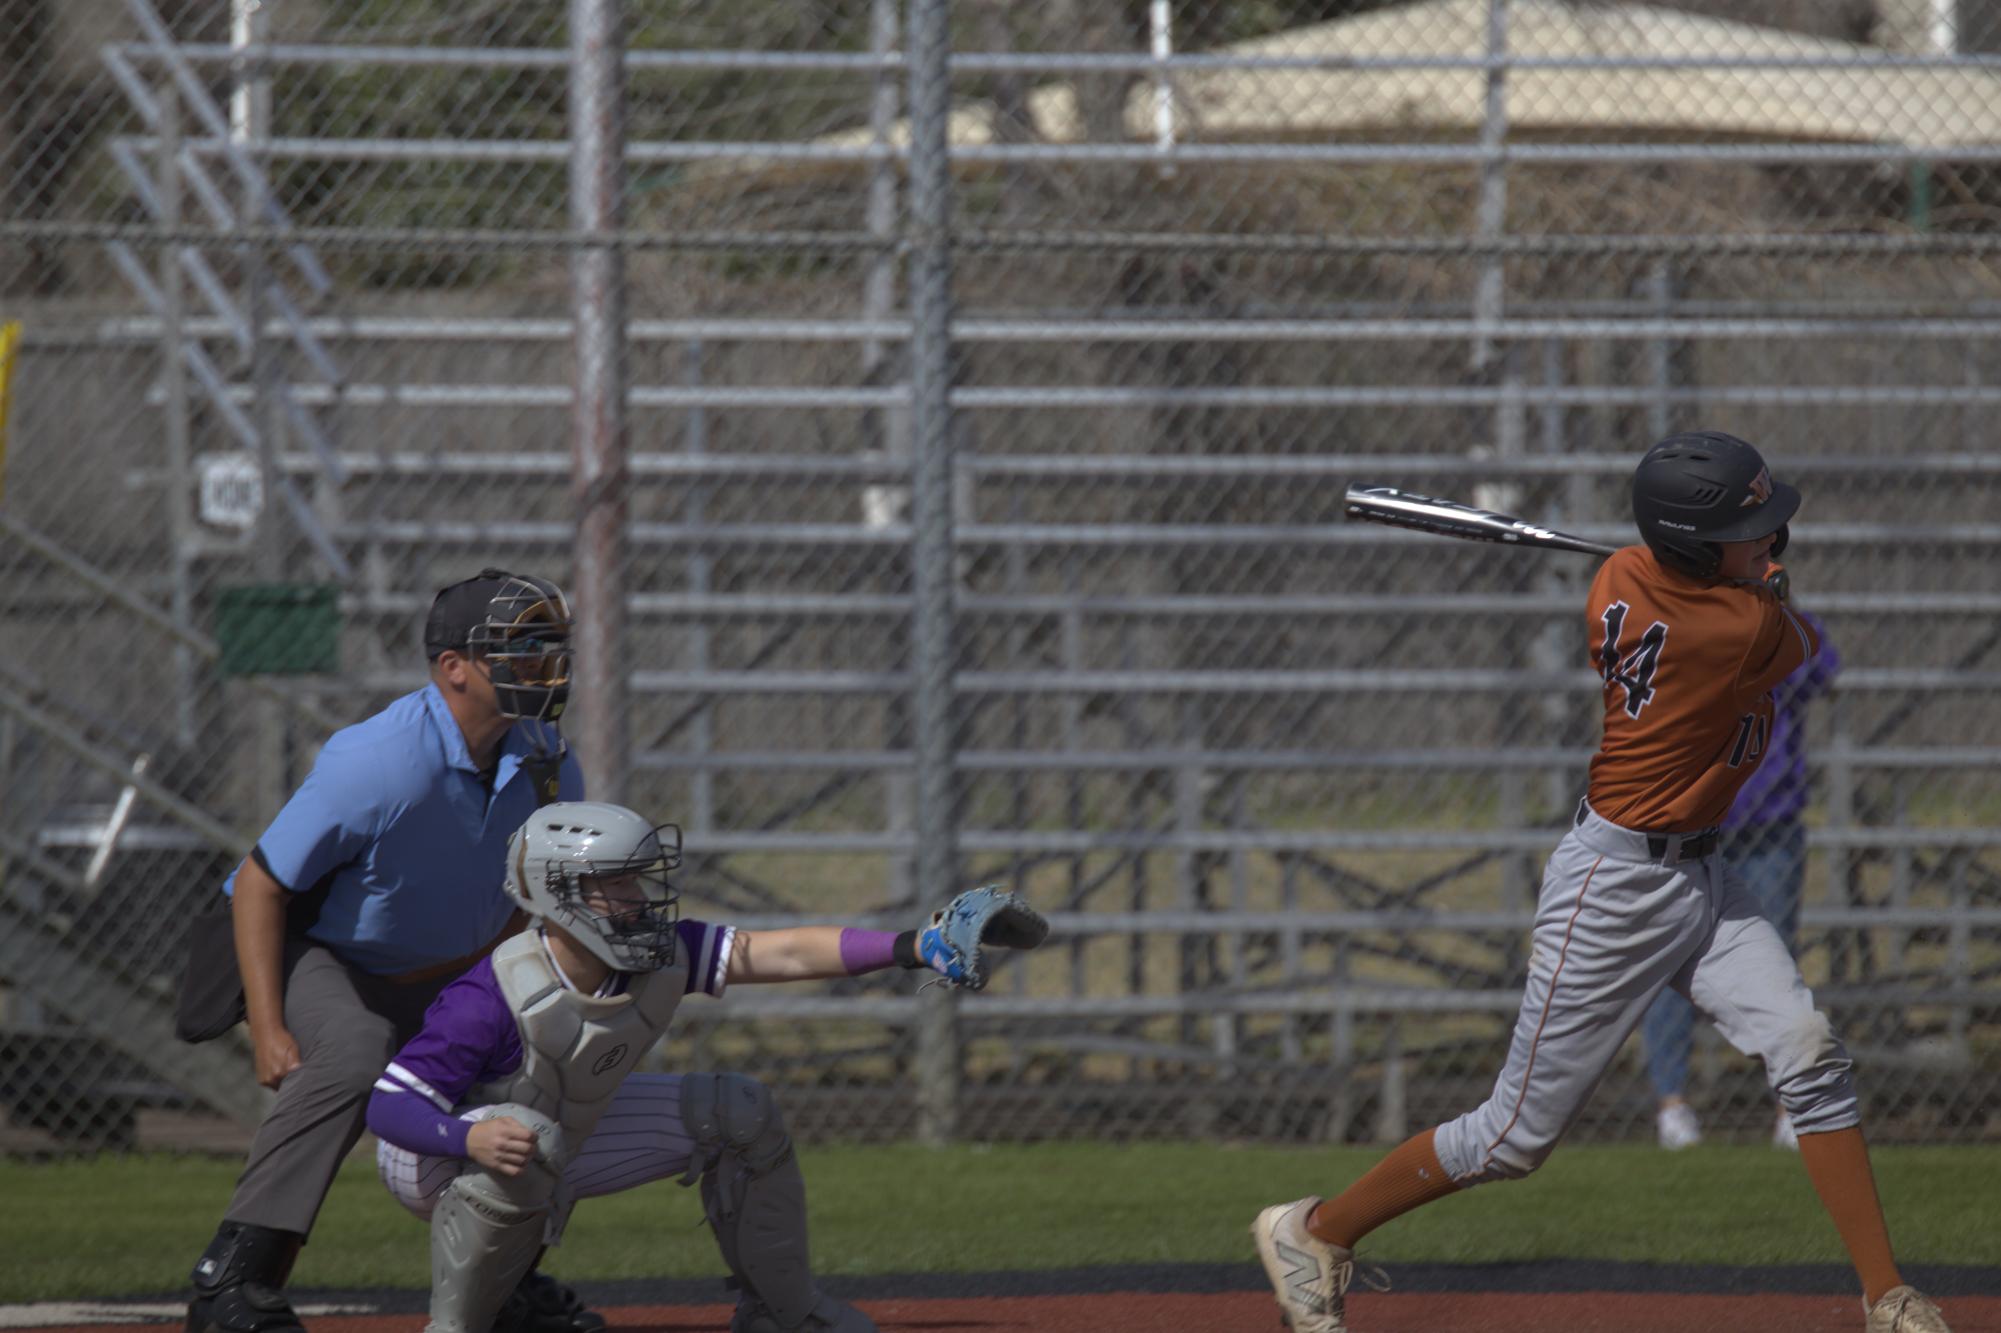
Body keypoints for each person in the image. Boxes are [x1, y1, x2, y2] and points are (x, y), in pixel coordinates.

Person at [1252, 433, 1950, 1333]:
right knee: (1510, 1138)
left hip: (1702, 873)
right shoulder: (1735, 629)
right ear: (1691, 548)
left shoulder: (1618, 574)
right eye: (1750, 533)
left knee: (1805, 1047)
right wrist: (1764, 584)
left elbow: (1721, 582)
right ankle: (1312, 1232)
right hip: (1615, 890)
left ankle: (1886, 1295)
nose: (1772, 542)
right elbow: (1798, 639)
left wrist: (1738, 568)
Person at [365, 801, 1046, 1333]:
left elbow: (779, 952)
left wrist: (915, 945)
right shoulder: (489, 997)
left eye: (637, 878)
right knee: (527, 1138)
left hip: (543, 1129)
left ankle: (784, 1314)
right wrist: (469, 1137)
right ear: (558, 891)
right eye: (616, 882)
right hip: (433, 1152)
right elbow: (389, 1107)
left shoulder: (660, 951)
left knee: (738, 1111)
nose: (638, 896)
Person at [185, 569, 600, 1333]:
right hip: (322, 952)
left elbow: (534, 895)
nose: (543, 662)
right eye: (518, 646)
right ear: (453, 667)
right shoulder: (379, 759)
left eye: (548, 644)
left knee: (538, 1057)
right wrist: (271, 1029)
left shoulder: (546, 759)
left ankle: (500, 1282)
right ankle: (233, 1279)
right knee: (353, 1047)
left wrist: (501, 1000)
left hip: (442, 970)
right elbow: (258, 885)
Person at [1648, 608, 1840, 1151]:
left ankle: (1791, 1103)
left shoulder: (1789, 627)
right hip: (1692, 822)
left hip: (1770, 823)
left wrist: (1770, 618)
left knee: (1774, 964)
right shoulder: (1686, 620)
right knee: (1671, 955)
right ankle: (1672, 1104)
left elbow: (1819, 670)